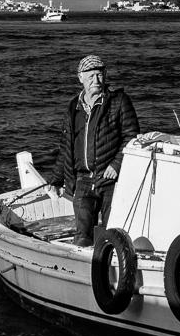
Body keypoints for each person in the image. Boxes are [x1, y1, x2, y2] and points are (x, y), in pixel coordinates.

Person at [55, 54, 140, 245]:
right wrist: (56, 179)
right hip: (82, 180)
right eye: (91, 75)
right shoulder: (73, 107)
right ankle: (84, 271)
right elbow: (66, 145)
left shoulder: (118, 101)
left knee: (113, 235)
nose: (96, 80)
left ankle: (111, 271)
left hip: (110, 180)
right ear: (80, 78)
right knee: (82, 237)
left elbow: (131, 136)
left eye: (100, 74)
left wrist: (116, 164)